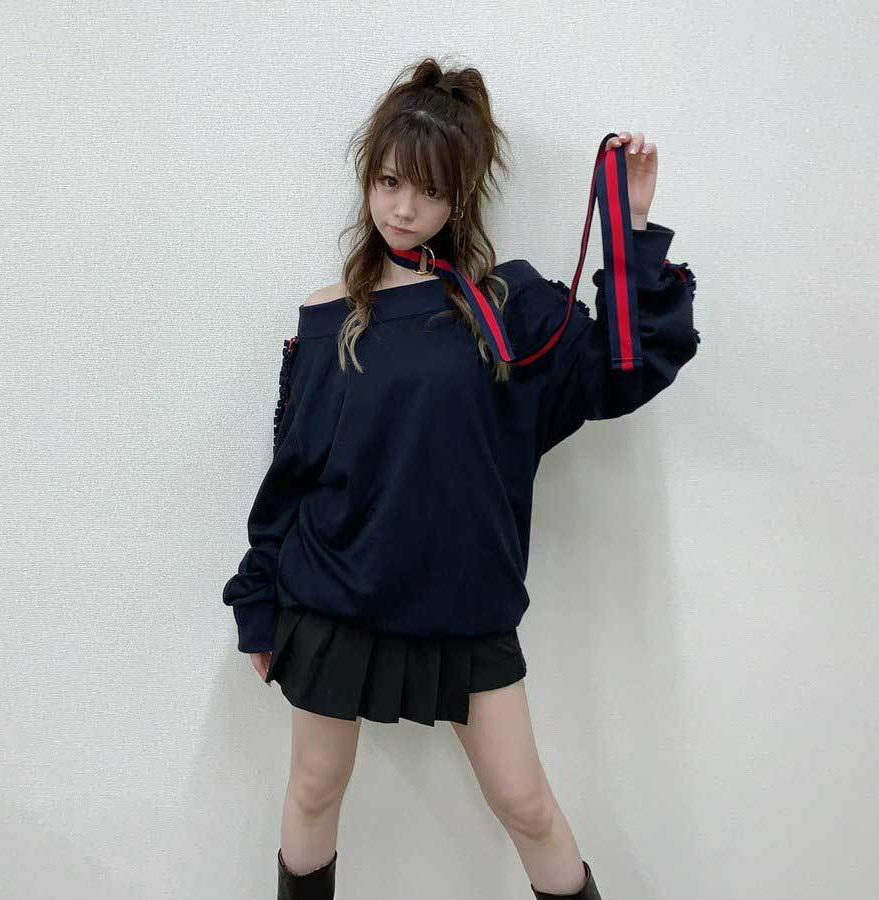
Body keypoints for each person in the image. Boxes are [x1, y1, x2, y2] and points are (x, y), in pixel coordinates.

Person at [222, 55, 700, 900]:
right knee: (314, 790)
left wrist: (628, 229)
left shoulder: (506, 306)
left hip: (465, 604)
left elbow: (627, 369)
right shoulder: (331, 315)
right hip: (334, 596)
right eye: (389, 182)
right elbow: (293, 473)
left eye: (429, 190)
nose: (403, 209)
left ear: (461, 197)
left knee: (526, 804)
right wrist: (259, 597)